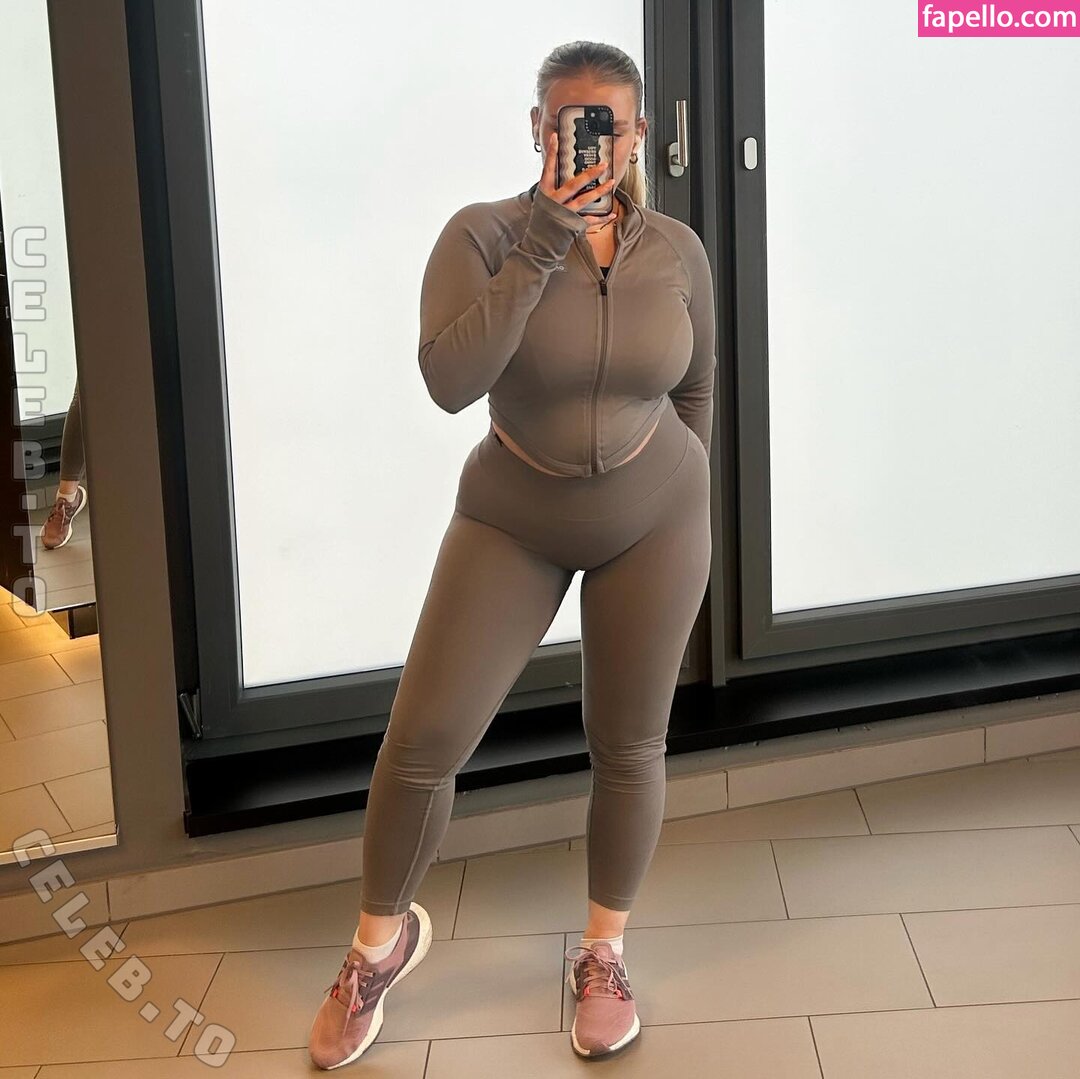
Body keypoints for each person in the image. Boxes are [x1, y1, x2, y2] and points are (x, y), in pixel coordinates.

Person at [308, 40, 716, 1070]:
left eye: (610, 125)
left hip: (657, 514)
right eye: (571, 121)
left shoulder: (677, 249)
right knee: (423, 740)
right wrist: (542, 244)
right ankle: (375, 948)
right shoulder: (482, 236)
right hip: (512, 517)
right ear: (538, 127)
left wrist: (686, 479)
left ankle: (603, 954)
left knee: (630, 742)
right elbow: (451, 381)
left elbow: (697, 384)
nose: (591, 142)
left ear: (636, 136)